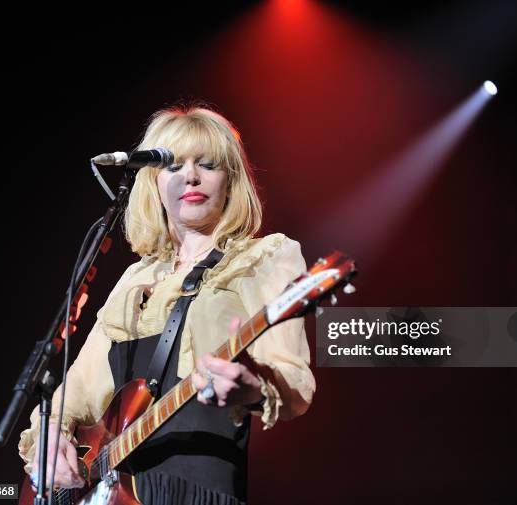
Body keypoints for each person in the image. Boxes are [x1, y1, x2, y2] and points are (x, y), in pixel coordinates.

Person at [18, 104, 316, 504]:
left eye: (208, 164)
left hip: (198, 489)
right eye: (174, 166)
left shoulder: (264, 259)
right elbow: (76, 395)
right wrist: (51, 441)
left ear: (231, 180)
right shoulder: (135, 279)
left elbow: (294, 381)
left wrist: (253, 388)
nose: (191, 175)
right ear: (153, 183)